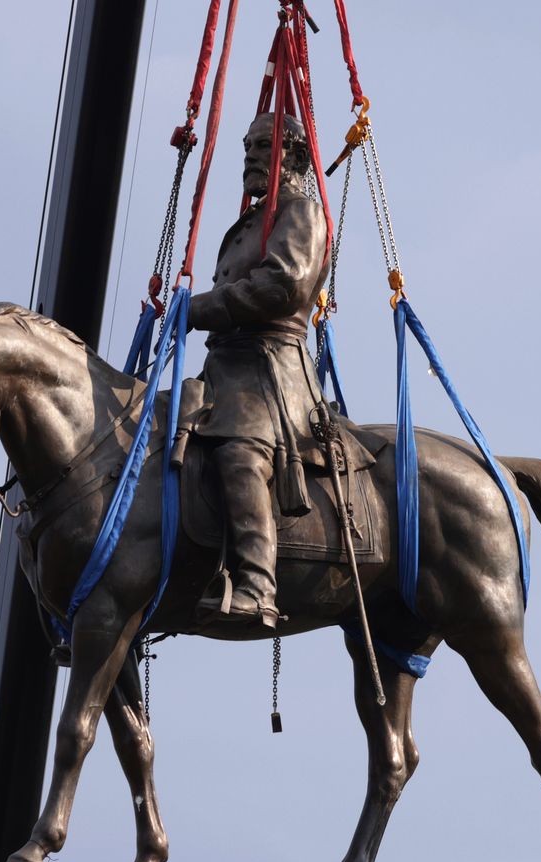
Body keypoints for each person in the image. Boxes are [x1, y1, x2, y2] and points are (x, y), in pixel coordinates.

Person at [187, 112, 330, 628]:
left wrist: (197, 309)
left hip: (269, 370)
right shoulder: (248, 225)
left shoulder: (301, 213)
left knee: (239, 454)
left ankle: (255, 585)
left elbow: (281, 286)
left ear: (292, 155)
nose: (249, 154)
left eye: (263, 145)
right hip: (223, 366)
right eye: (247, 145)